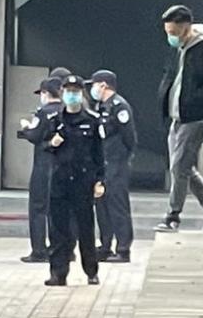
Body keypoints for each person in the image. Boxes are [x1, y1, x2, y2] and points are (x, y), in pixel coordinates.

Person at [156, 5, 203, 232]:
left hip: (194, 117)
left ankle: (173, 215)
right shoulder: (179, 50)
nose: (171, 37)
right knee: (182, 167)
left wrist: (195, 100)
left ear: (186, 28)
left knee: (179, 167)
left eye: (174, 33)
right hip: (177, 117)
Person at [44, 75, 105, 287]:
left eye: (76, 91)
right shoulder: (55, 120)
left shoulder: (91, 120)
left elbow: (99, 154)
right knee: (58, 230)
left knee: (85, 228)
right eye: (68, 91)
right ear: (62, 93)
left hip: (83, 181)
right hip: (60, 182)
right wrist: (52, 142)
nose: (72, 95)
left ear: (81, 94)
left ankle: (91, 271)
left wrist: (99, 180)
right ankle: (58, 273)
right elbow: (44, 145)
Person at [90, 70, 137, 263]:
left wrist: (122, 158)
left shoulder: (119, 106)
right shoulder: (101, 106)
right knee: (102, 205)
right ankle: (106, 245)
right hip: (103, 163)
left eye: (94, 85)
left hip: (116, 162)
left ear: (104, 85)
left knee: (118, 204)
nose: (93, 89)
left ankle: (123, 248)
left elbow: (129, 137)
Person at [17, 76, 63, 263]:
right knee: (58, 209)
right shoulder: (67, 111)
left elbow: (35, 135)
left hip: (44, 165)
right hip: (62, 166)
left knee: (38, 208)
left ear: (45, 93)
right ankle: (59, 247)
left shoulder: (43, 113)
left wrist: (26, 128)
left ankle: (38, 250)